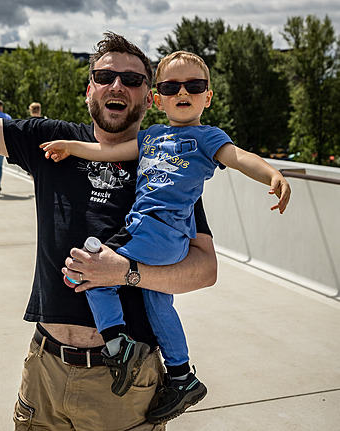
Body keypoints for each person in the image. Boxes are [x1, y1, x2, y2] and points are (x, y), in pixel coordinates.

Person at [0, 32, 218, 430]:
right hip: (44, 370)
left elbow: (204, 268)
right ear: (89, 90)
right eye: (105, 76)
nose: (117, 86)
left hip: (123, 387)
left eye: (133, 80)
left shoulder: (166, 168)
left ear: (150, 98)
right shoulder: (53, 143)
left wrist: (125, 274)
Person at [41, 50, 291, 423]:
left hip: (157, 229)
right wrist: (72, 147)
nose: (182, 92)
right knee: (159, 304)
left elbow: (240, 158)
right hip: (160, 239)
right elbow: (111, 152)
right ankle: (181, 374)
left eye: (194, 85)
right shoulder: (153, 136)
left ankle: (116, 343)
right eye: (171, 86)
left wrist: (273, 175)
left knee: (91, 270)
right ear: (157, 99)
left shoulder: (208, 138)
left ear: (208, 97)